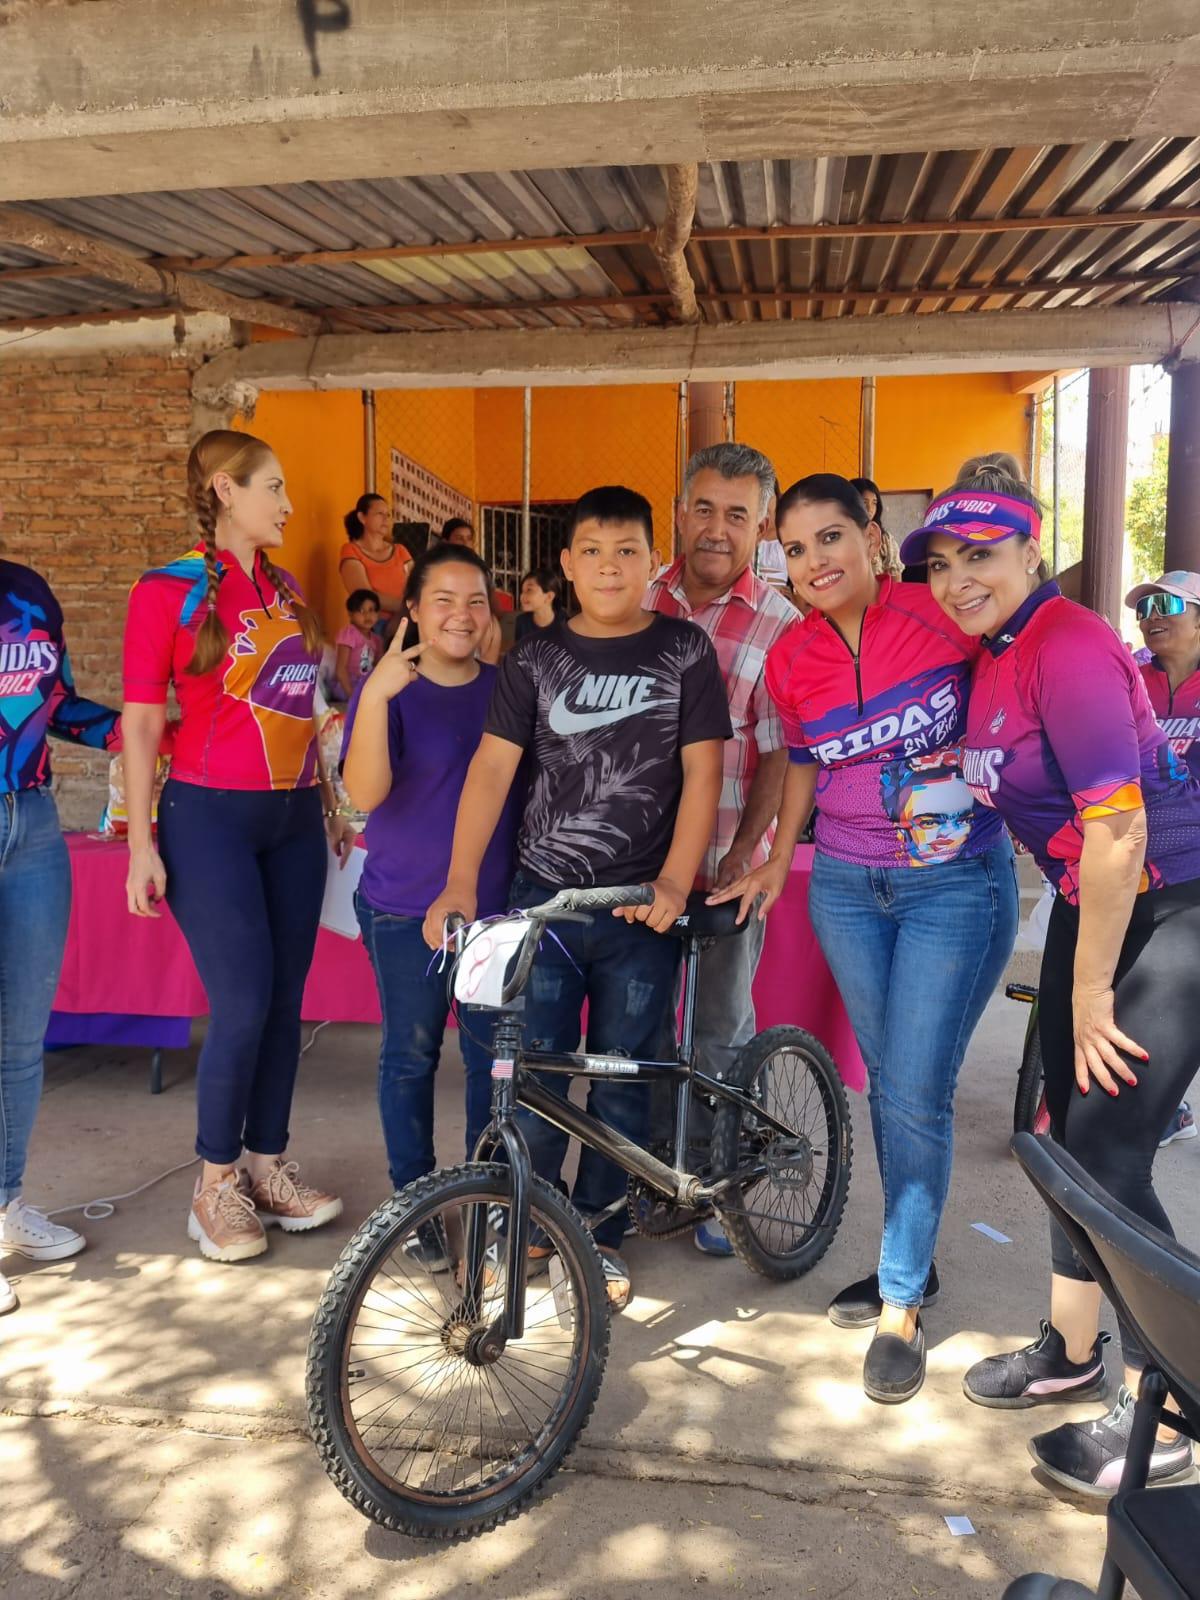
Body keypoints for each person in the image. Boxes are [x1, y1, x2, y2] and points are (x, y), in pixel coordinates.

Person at [908, 463, 1200, 1494]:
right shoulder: (993, 655)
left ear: (1033, 551)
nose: (956, 578)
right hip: (1099, 901)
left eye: (979, 555)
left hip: (1172, 902)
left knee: (1113, 1150)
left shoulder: (1066, 641)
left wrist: (1085, 994)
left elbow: (1118, 827)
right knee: (1063, 1144)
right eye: (941, 563)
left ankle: (1177, 1413)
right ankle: (1073, 1355)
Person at [712, 473, 1017, 1404]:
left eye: (831, 538)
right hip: (846, 886)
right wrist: (771, 857)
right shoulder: (792, 658)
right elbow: (801, 761)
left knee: (914, 1092)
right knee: (889, 1086)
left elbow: (1018, 709)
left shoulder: (941, 619)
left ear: (874, 536)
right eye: (796, 550)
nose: (815, 563)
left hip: (951, 885)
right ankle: (909, 1264)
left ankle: (898, 1302)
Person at [424, 485, 730, 1307]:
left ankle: (596, 1232)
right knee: (533, 1070)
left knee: (627, 1075)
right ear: (565, 565)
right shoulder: (531, 659)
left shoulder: (686, 650)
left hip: (641, 910)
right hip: (545, 905)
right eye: (591, 551)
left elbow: (705, 771)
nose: (608, 566)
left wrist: (674, 879)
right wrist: (458, 881)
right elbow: (492, 770)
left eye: (627, 550)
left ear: (652, 562)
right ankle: (527, 1227)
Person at [123, 430, 350, 1266]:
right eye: (275, 488)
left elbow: (304, 708)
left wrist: (327, 800)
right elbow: (143, 723)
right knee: (245, 1001)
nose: (289, 505)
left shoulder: (285, 589)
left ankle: (265, 1166)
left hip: (293, 820)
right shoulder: (167, 591)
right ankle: (212, 1185)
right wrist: (142, 842)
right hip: (207, 819)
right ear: (226, 489)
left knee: (287, 1003)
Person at [645, 442, 799, 1256]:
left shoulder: (781, 624)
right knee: (639, 1028)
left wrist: (744, 852)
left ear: (760, 526)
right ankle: (650, 1171)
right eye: (703, 508)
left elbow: (778, 750)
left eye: (737, 515)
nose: (716, 528)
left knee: (719, 1030)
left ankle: (715, 1185)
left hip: (727, 867)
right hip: (638, 867)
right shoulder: (636, 600)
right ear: (679, 509)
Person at [343, 544, 521, 1226]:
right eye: (442, 599)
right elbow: (365, 791)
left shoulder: (506, 687)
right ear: (413, 609)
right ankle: (410, 1205)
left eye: (475, 600)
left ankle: (486, 1200)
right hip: (400, 905)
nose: (461, 614)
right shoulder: (387, 689)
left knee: (489, 1065)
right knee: (410, 1057)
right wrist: (378, 694)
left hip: (493, 911)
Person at [0, 515, 123, 1313]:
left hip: (34, 824)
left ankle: (5, 1203)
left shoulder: (28, 593)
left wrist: (138, 733)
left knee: (19, 1035)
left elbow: (60, 705)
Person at [1127, 569, 1200, 1148]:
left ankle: (1167, 1103)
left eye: (1168, 603)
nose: (1152, 614)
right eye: (1144, 605)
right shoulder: (1130, 679)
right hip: (1127, 859)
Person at [340, 494, 411, 631]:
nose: (386, 519)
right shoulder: (351, 550)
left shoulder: (400, 551)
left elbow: (417, 586)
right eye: (379, 513)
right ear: (362, 518)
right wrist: (407, 607)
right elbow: (365, 597)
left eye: (388, 515)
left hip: (405, 622)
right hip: (373, 625)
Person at [334, 588, 384, 701]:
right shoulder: (349, 634)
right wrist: (352, 696)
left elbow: (379, 667)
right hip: (347, 684)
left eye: (372, 610)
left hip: (366, 683)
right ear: (350, 614)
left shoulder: (377, 640)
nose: (367, 615)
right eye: (361, 611)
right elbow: (340, 670)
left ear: (378, 613)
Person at [851, 477, 902, 579]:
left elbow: (896, 577)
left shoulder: (885, 539)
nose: (870, 509)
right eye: (864, 502)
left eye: (874, 503)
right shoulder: (841, 537)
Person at [515, 567, 564, 642]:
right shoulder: (522, 622)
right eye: (522, 591)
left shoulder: (566, 624)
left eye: (529, 590)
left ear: (549, 596)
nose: (522, 596)